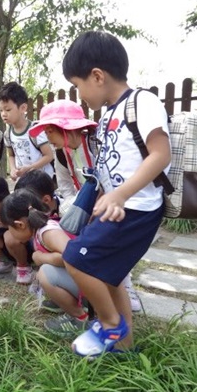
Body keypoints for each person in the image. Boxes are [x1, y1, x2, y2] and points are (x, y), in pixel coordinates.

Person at [60, 31, 171, 357]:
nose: (79, 95)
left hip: (138, 206)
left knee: (74, 258)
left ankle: (110, 325)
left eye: (78, 85)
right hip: (118, 206)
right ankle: (124, 349)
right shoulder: (107, 114)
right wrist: (105, 197)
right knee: (113, 276)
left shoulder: (143, 102)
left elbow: (160, 154)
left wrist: (121, 194)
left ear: (97, 76)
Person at [29, 98, 143, 313]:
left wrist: (102, 204)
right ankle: (90, 290)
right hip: (83, 207)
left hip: (112, 201)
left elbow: (114, 176)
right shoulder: (61, 154)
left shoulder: (96, 143)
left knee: (115, 243)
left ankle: (126, 288)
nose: (47, 138)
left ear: (61, 128)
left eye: (49, 132)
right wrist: (76, 209)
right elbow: (64, 187)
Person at [0, 189, 88, 331]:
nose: (10, 233)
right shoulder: (40, 230)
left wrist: (41, 258)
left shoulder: (48, 232)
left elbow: (73, 257)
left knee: (45, 274)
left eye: (10, 228)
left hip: (91, 285)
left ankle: (81, 318)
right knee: (46, 271)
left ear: (20, 224)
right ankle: (63, 302)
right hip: (82, 281)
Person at [0, 82, 54, 181]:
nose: (3, 114)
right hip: (24, 181)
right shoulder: (8, 134)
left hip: (42, 180)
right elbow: (11, 155)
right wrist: (12, 169)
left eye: (7, 110)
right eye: (1, 110)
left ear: (23, 108)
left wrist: (29, 168)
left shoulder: (35, 130)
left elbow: (49, 156)